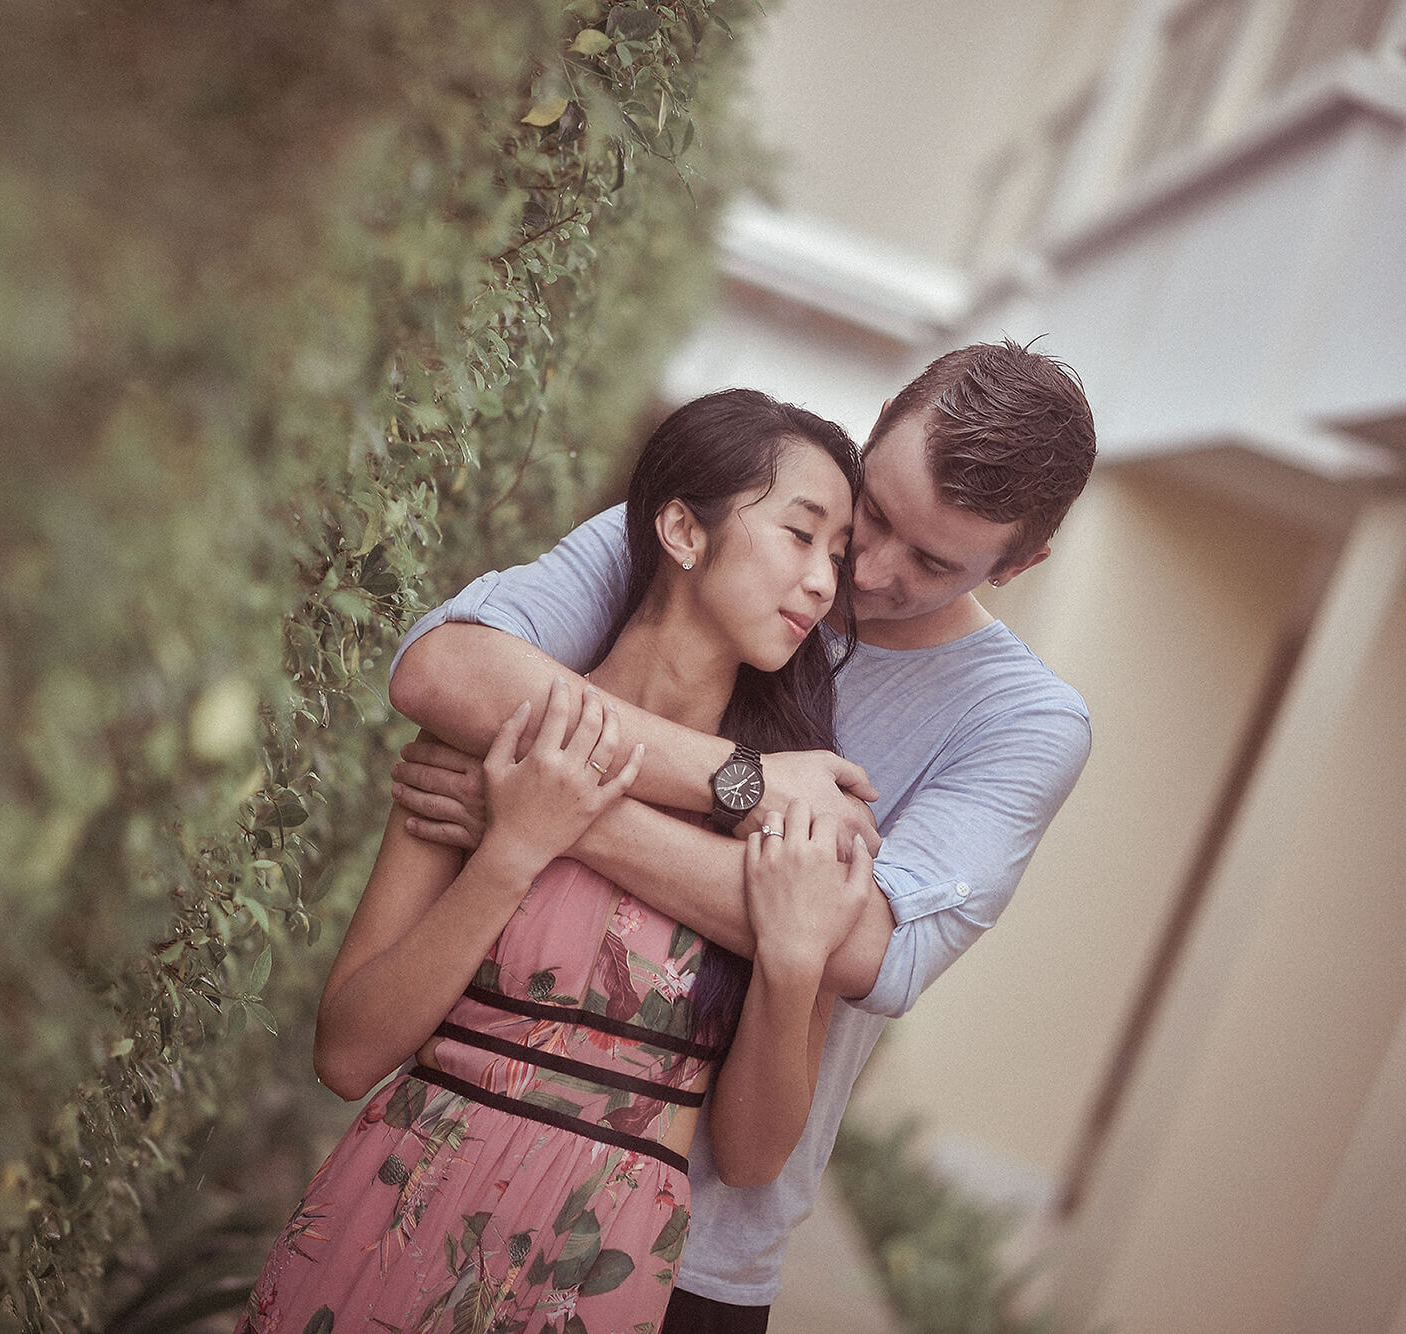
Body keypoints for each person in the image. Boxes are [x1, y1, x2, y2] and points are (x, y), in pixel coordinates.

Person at [386, 340, 1097, 1331]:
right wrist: (743, 783)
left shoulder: (1021, 722)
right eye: (875, 512)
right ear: (878, 416)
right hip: (466, 1150)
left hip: (697, 1252)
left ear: (1018, 564)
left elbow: (868, 948)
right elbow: (444, 675)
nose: (865, 568)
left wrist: (556, 813)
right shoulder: (711, 529)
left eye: (931, 560)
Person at [237, 390, 876, 1332]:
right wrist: (512, 851)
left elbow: (747, 1160)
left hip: (598, 1262)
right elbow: (348, 1052)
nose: (824, 582)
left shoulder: (799, 819)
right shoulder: (492, 743)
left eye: (838, 556)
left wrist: (788, 964)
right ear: (681, 532)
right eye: (799, 534)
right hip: (392, 1215)